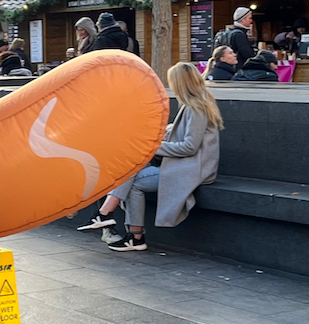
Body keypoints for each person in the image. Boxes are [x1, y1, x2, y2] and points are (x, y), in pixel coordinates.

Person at [77, 62, 222, 251]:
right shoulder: (198, 104)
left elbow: (189, 147)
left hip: (193, 169)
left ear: (179, 84)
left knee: (132, 173)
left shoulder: (196, 108)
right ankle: (129, 233)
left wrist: (152, 147)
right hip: (187, 166)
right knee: (133, 171)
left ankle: (112, 219)